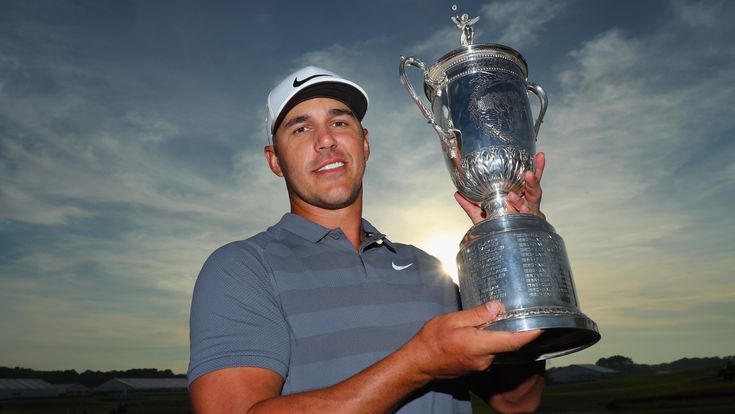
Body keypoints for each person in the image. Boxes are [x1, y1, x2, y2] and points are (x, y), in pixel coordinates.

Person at [188, 66, 547, 413]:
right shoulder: (242, 268)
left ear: (365, 143)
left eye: (339, 122)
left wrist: (515, 245)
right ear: (275, 161)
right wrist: (418, 364)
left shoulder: (429, 269)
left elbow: (519, 401)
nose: (325, 139)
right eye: (300, 129)